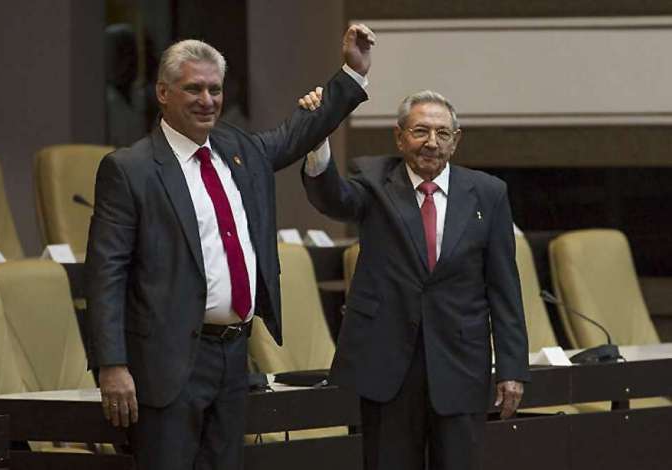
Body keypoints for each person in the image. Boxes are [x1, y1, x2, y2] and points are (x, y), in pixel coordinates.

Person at [84, 24, 375, 470]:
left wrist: (351, 74)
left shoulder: (237, 149)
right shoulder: (130, 169)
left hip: (234, 355)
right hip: (168, 364)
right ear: (163, 93)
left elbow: (295, 133)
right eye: (193, 89)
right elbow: (106, 272)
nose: (207, 100)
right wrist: (112, 365)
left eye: (215, 89)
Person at [300, 89, 530, 470]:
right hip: (388, 365)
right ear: (400, 136)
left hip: (460, 363)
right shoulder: (374, 181)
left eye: (442, 133)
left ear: (456, 141)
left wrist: (511, 369)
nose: (431, 142)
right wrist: (318, 136)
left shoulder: (488, 193)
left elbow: (504, 287)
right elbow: (333, 199)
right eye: (420, 131)